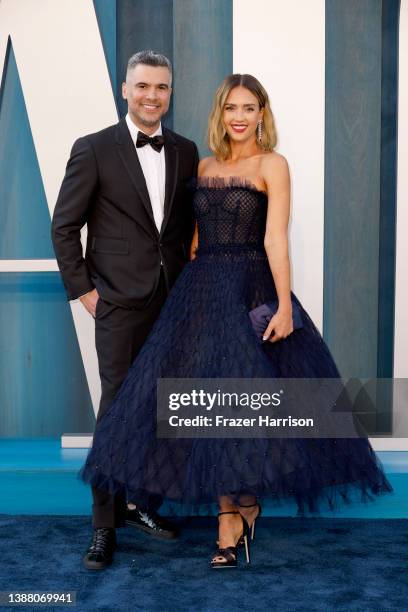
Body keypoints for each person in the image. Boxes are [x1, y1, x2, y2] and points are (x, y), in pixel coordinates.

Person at [79, 73, 392, 569]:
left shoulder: (274, 164)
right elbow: (195, 241)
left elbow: (274, 239)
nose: (239, 117)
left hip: (252, 289)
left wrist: (285, 305)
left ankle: (238, 513)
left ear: (262, 113)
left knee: (244, 404)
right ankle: (233, 512)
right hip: (202, 293)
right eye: (230, 108)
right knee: (207, 405)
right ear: (220, 114)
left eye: (249, 107)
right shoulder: (202, 165)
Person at [51, 50, 199, 570]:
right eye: (142, 87)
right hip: (117, 302)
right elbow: (64, 226)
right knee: (116, 413)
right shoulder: (92, 149)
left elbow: (178, 232)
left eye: (161, 87)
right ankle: (104, 526)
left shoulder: (185, 150)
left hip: (172, 303)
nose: (152, 96)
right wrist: (84, 291)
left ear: (170, 91)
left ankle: (141, 504)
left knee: (161, 411)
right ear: (124, 88)